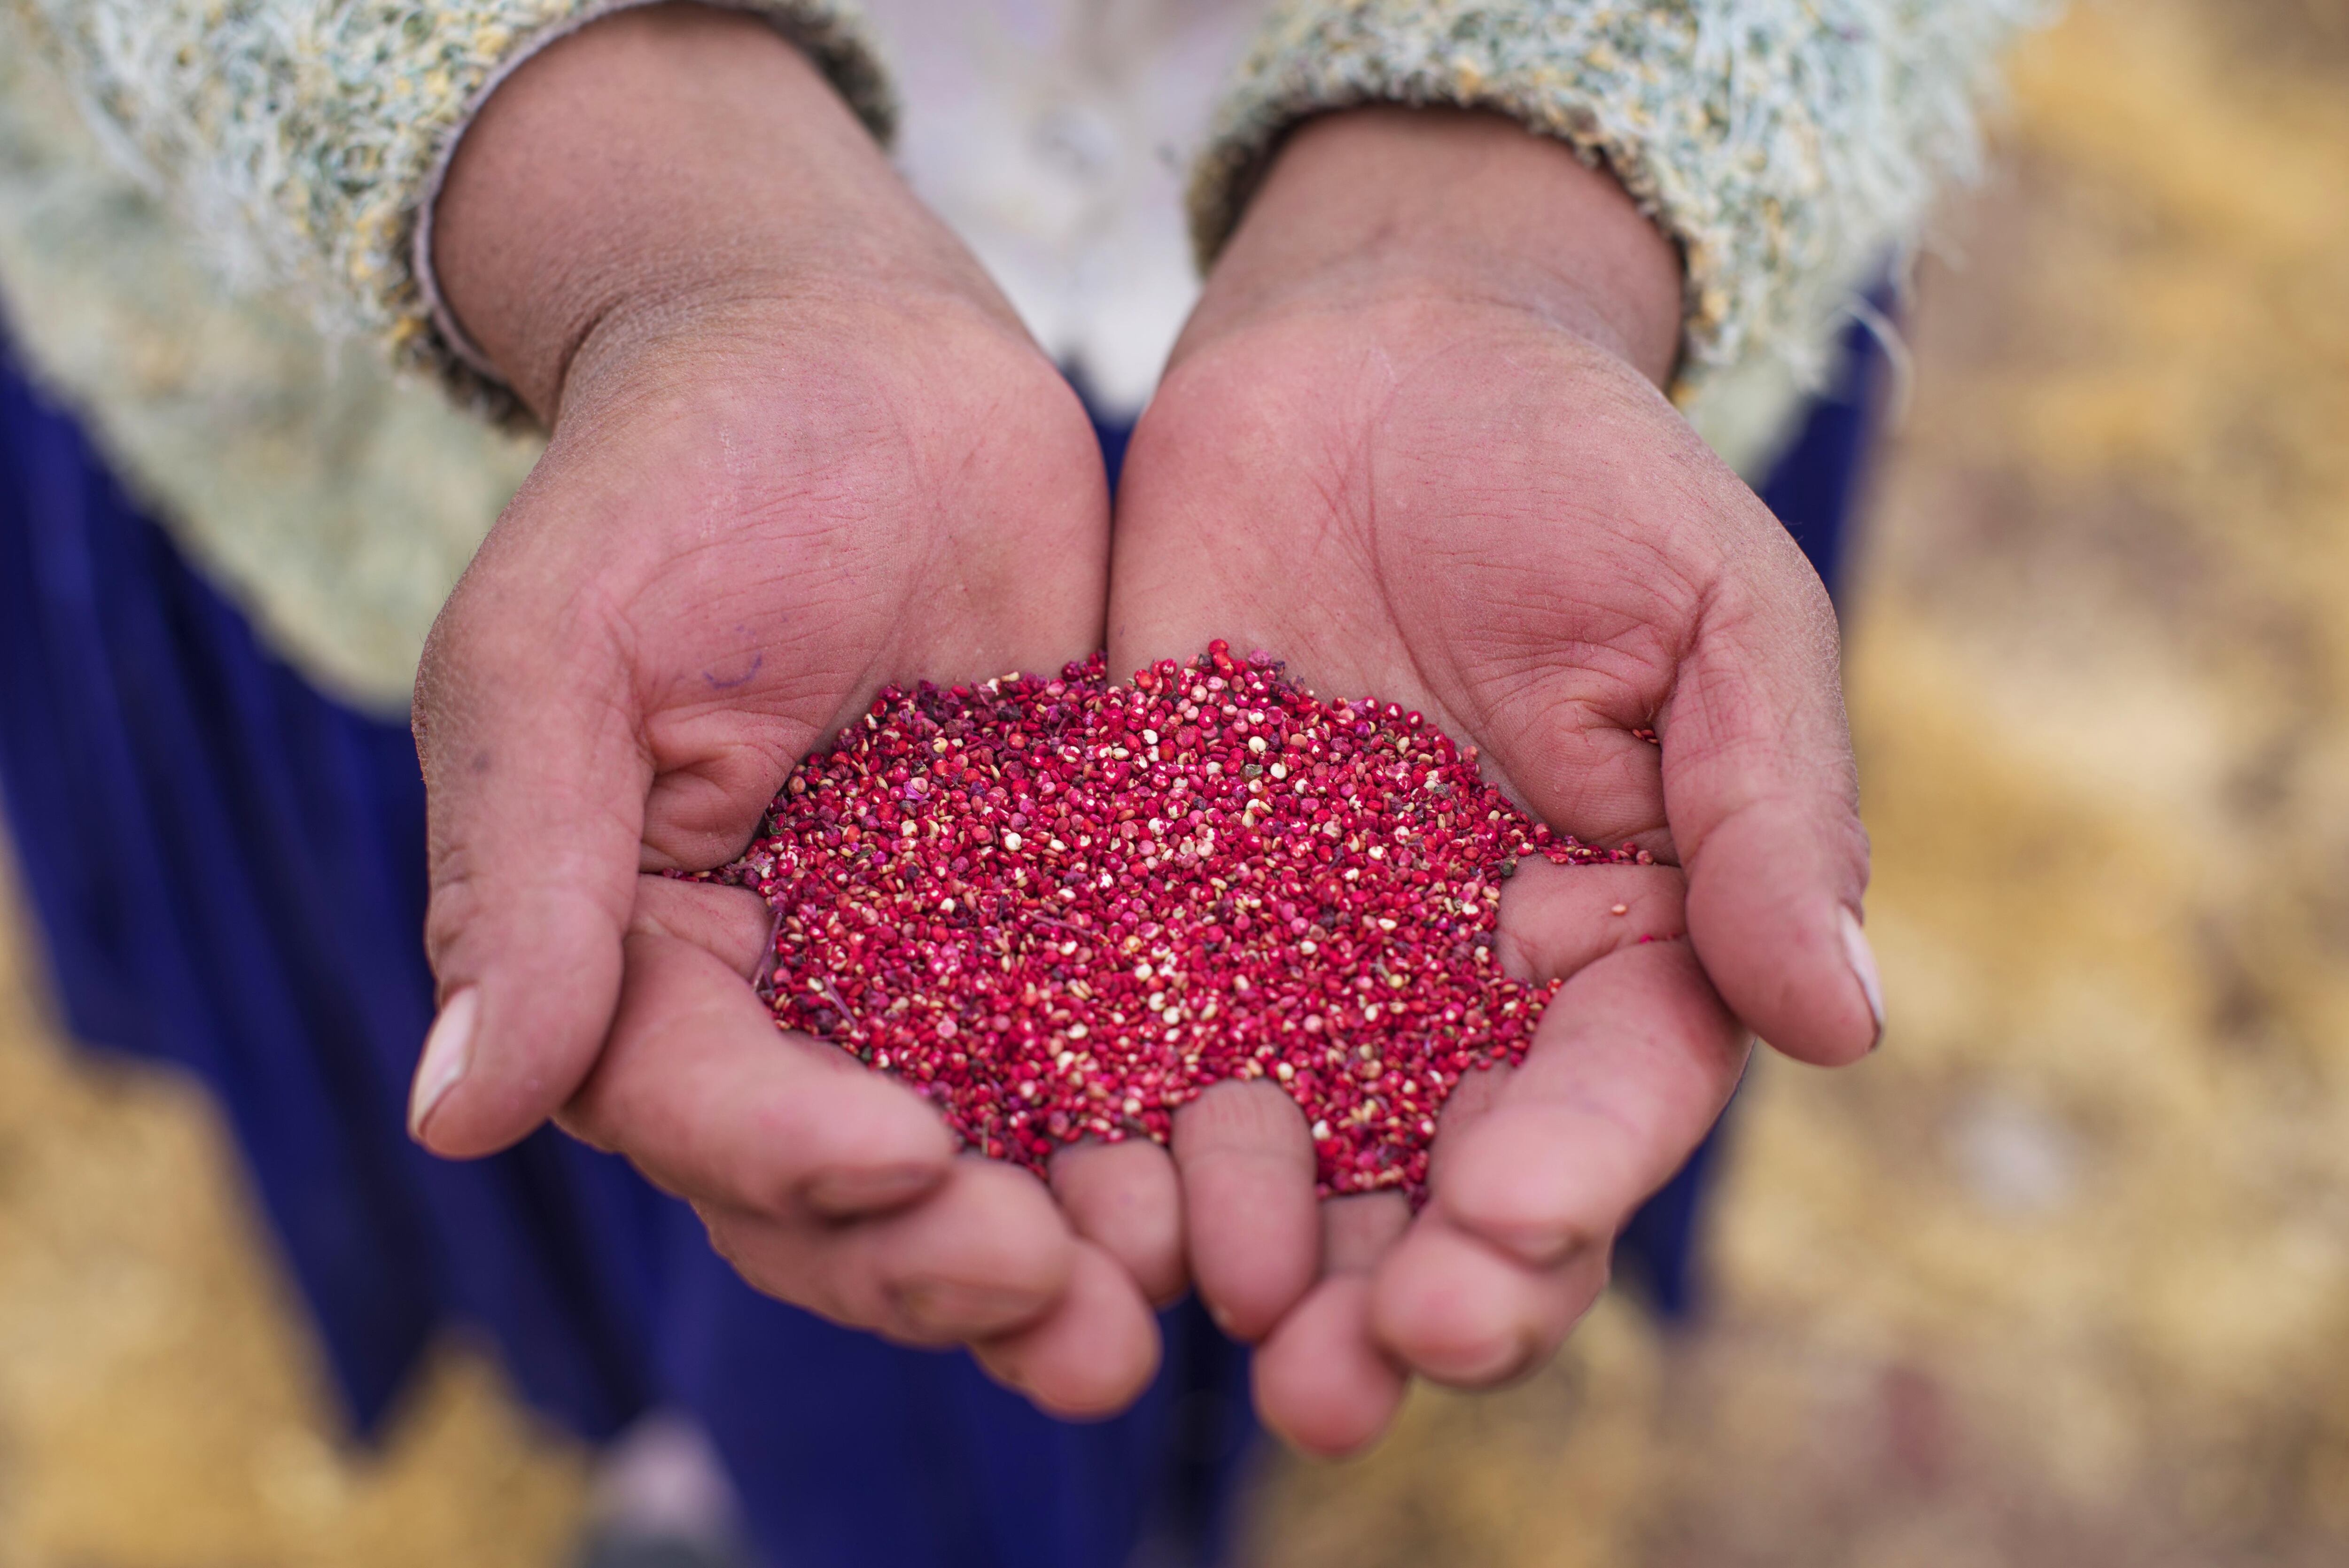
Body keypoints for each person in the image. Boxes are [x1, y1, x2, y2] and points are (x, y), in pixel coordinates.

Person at [0, 2, 2033, 1563]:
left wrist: (1518, 204)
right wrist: (625, 211)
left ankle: (1100, 1478)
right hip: (472, 372)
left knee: (1096, 1222)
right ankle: (695, 1454)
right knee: (646, 1046)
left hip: (1510, 373)